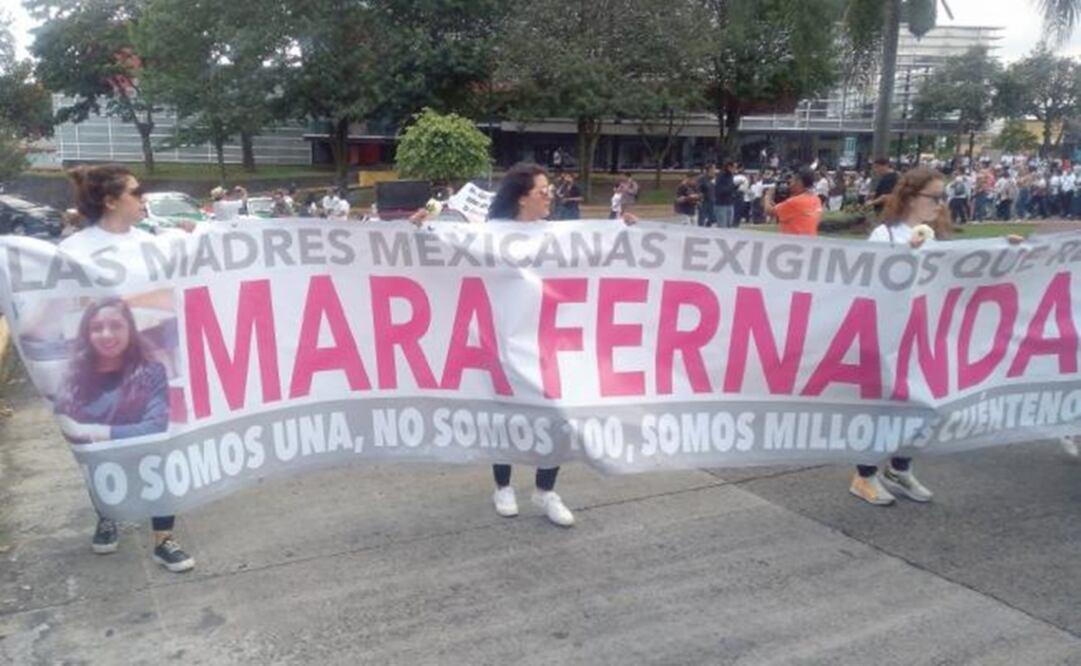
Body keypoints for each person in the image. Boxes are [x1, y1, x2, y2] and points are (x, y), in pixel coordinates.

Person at [58, 165, 195, 572]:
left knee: (159, 446)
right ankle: (108, 515)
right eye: (136, 192)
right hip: (96, 371)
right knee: (101, 450)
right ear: (110, 201)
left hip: (149, 365)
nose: (143, 199)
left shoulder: (151, 244)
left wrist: (198, 240)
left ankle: (163, 539)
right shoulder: (73, 251)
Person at [485, 164, 576, 526]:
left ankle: (545, 490)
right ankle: (502, 486)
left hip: (547, 341)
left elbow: (599, 252)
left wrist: (624, 232)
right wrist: (417, 230)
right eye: (543, 191)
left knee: (557, 415)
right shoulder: (490, 234)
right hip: (504, 338)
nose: (550, 196)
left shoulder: (556, 234)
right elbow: (445, 250)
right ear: (523, 198)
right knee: (504, 415)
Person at [763, 167, 822, 236]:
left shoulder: (794, 202)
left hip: (793, 240)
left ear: (799, 182)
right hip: (810, 240)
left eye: (792, 180)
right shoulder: (816, 199)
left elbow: (768, 211)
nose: (789, 184)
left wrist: (768, 195)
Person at [714, 161, 737, 228]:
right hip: (721, 205)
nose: (735, 170)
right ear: (729, 167)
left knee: (729, 225)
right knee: (722, 226)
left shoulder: (731, 176)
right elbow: (719, 190)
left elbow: (731, 188)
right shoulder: (721, 176)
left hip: (730, 203)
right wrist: (731, 187)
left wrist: (736, 187)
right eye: (734, 168)